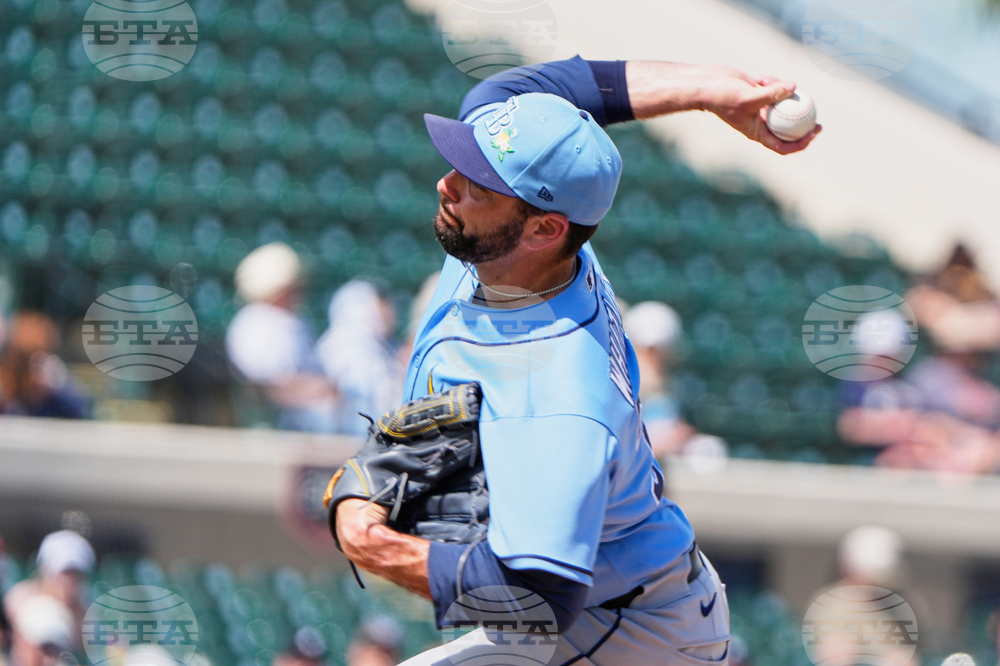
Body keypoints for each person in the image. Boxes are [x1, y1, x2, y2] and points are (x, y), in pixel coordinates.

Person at [333, 56, 820, 665]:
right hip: (605, 608)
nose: (448, 184)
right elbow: (513, 90)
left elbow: (539, 597)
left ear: (543, 229)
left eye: (476, 186)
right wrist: (708, 91)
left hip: (630, 639)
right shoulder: (512, 250)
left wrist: (373, 544)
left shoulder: (558, 390)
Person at [225, 242, 338, 432]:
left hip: (307, 420)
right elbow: (264, 384)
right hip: (272, 423)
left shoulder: (298, 320)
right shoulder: (251, 322)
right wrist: (305, 389)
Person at [316, 280, 404, 435]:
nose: (387, 312)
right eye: (378, 306)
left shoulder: (388, 347)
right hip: (344, 434)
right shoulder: (337, 343)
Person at [3, 530, 95, 653]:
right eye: (65, 572)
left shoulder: (85, 613)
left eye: (76, 573)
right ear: (46, 571)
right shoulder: (18, 598)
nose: (70, 581)